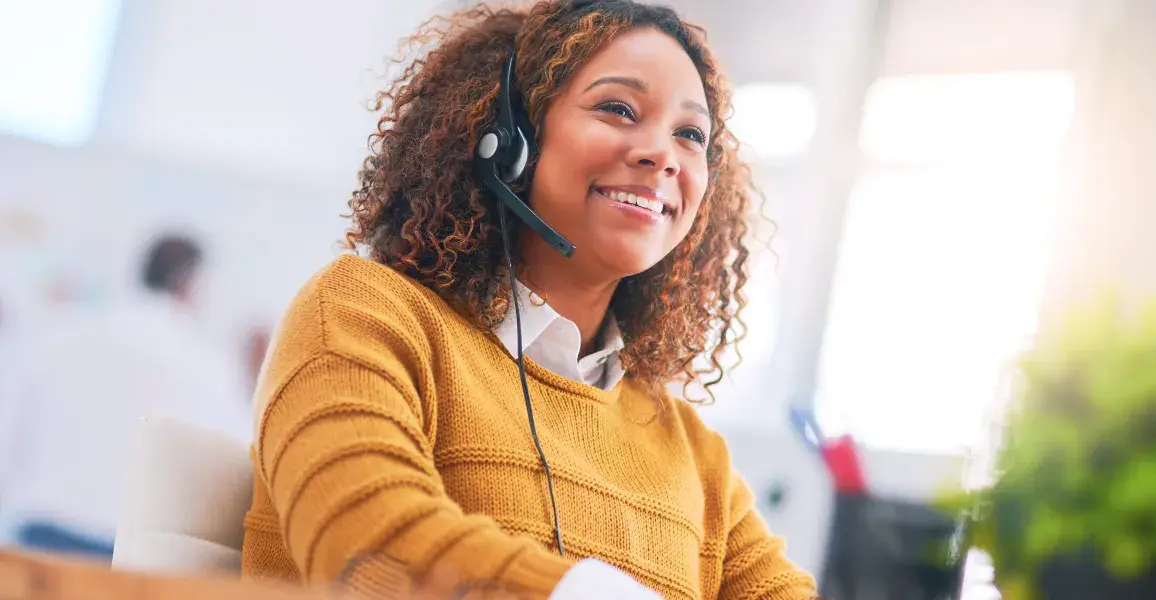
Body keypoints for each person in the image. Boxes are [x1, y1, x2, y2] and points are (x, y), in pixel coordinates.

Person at [243, 1, 815, 598]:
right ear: (507, 139)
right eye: (618, 109)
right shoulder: (364, 313)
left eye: (690, 135)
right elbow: (365, 543)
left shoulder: (694, 453)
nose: (662, 154)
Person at [0, 234, 251, 559]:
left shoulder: (65, 335)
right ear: (192, 284)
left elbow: (10, 428)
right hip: (132, 559)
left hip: (40, 539)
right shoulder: (208, 367)